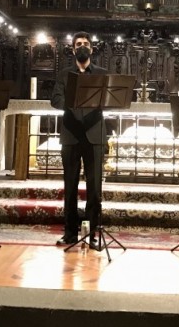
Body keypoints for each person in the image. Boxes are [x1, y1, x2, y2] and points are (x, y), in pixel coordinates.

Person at [51, 32, 109, 248]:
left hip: (94, 135)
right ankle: (70, 233)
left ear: (91, 49)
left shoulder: (102, 73)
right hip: (71, 134)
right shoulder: (65, 74)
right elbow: (55, 99)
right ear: (73, 49)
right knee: (70, 186)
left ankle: (93, 233)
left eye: (86, 44)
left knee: (95, 188)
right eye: (78, 44)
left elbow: (110, 98)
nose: (82, 47)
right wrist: (73, 102)